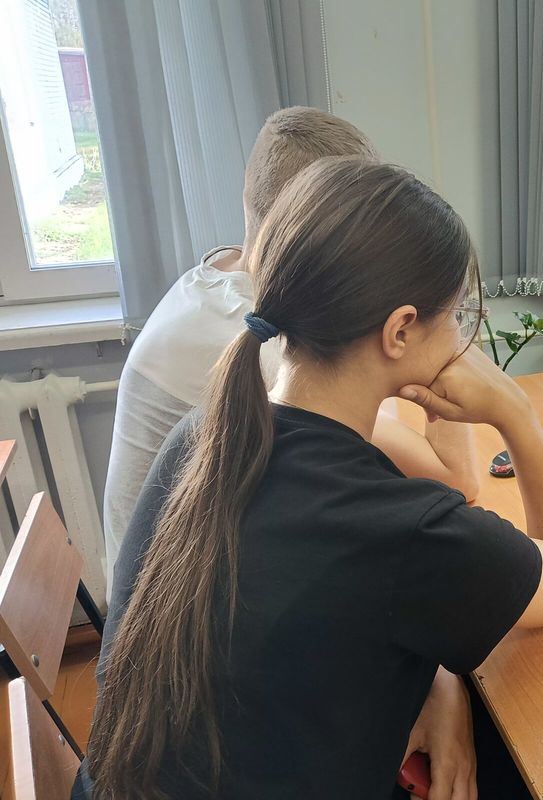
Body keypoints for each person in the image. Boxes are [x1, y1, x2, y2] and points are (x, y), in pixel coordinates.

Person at [79, 157, 543, 799]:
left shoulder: (204, 435)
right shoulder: (404, 531)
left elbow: (324, 612)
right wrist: (515, 414)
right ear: (401, 330)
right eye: (456, 315)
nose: (461, 336)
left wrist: (437, 678)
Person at [102, 107, 479, 600]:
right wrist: (444, 323)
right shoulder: (258, 337)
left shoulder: (217, 276)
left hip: (190, 579)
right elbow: (453, 481)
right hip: (178, 613)